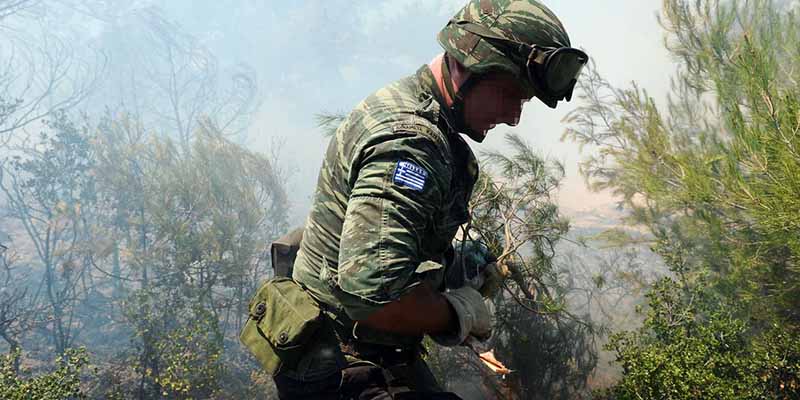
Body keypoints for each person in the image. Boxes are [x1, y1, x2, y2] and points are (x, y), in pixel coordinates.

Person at [241, 0, 587, 398]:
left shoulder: (412, 107)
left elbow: (383, 249)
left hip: (351, 350)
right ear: (469, 65)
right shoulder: (410, 143)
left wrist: (454, 267)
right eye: (511, 94)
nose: (513, 116)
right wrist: (458, 312)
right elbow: (373, 297)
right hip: (342, 365)